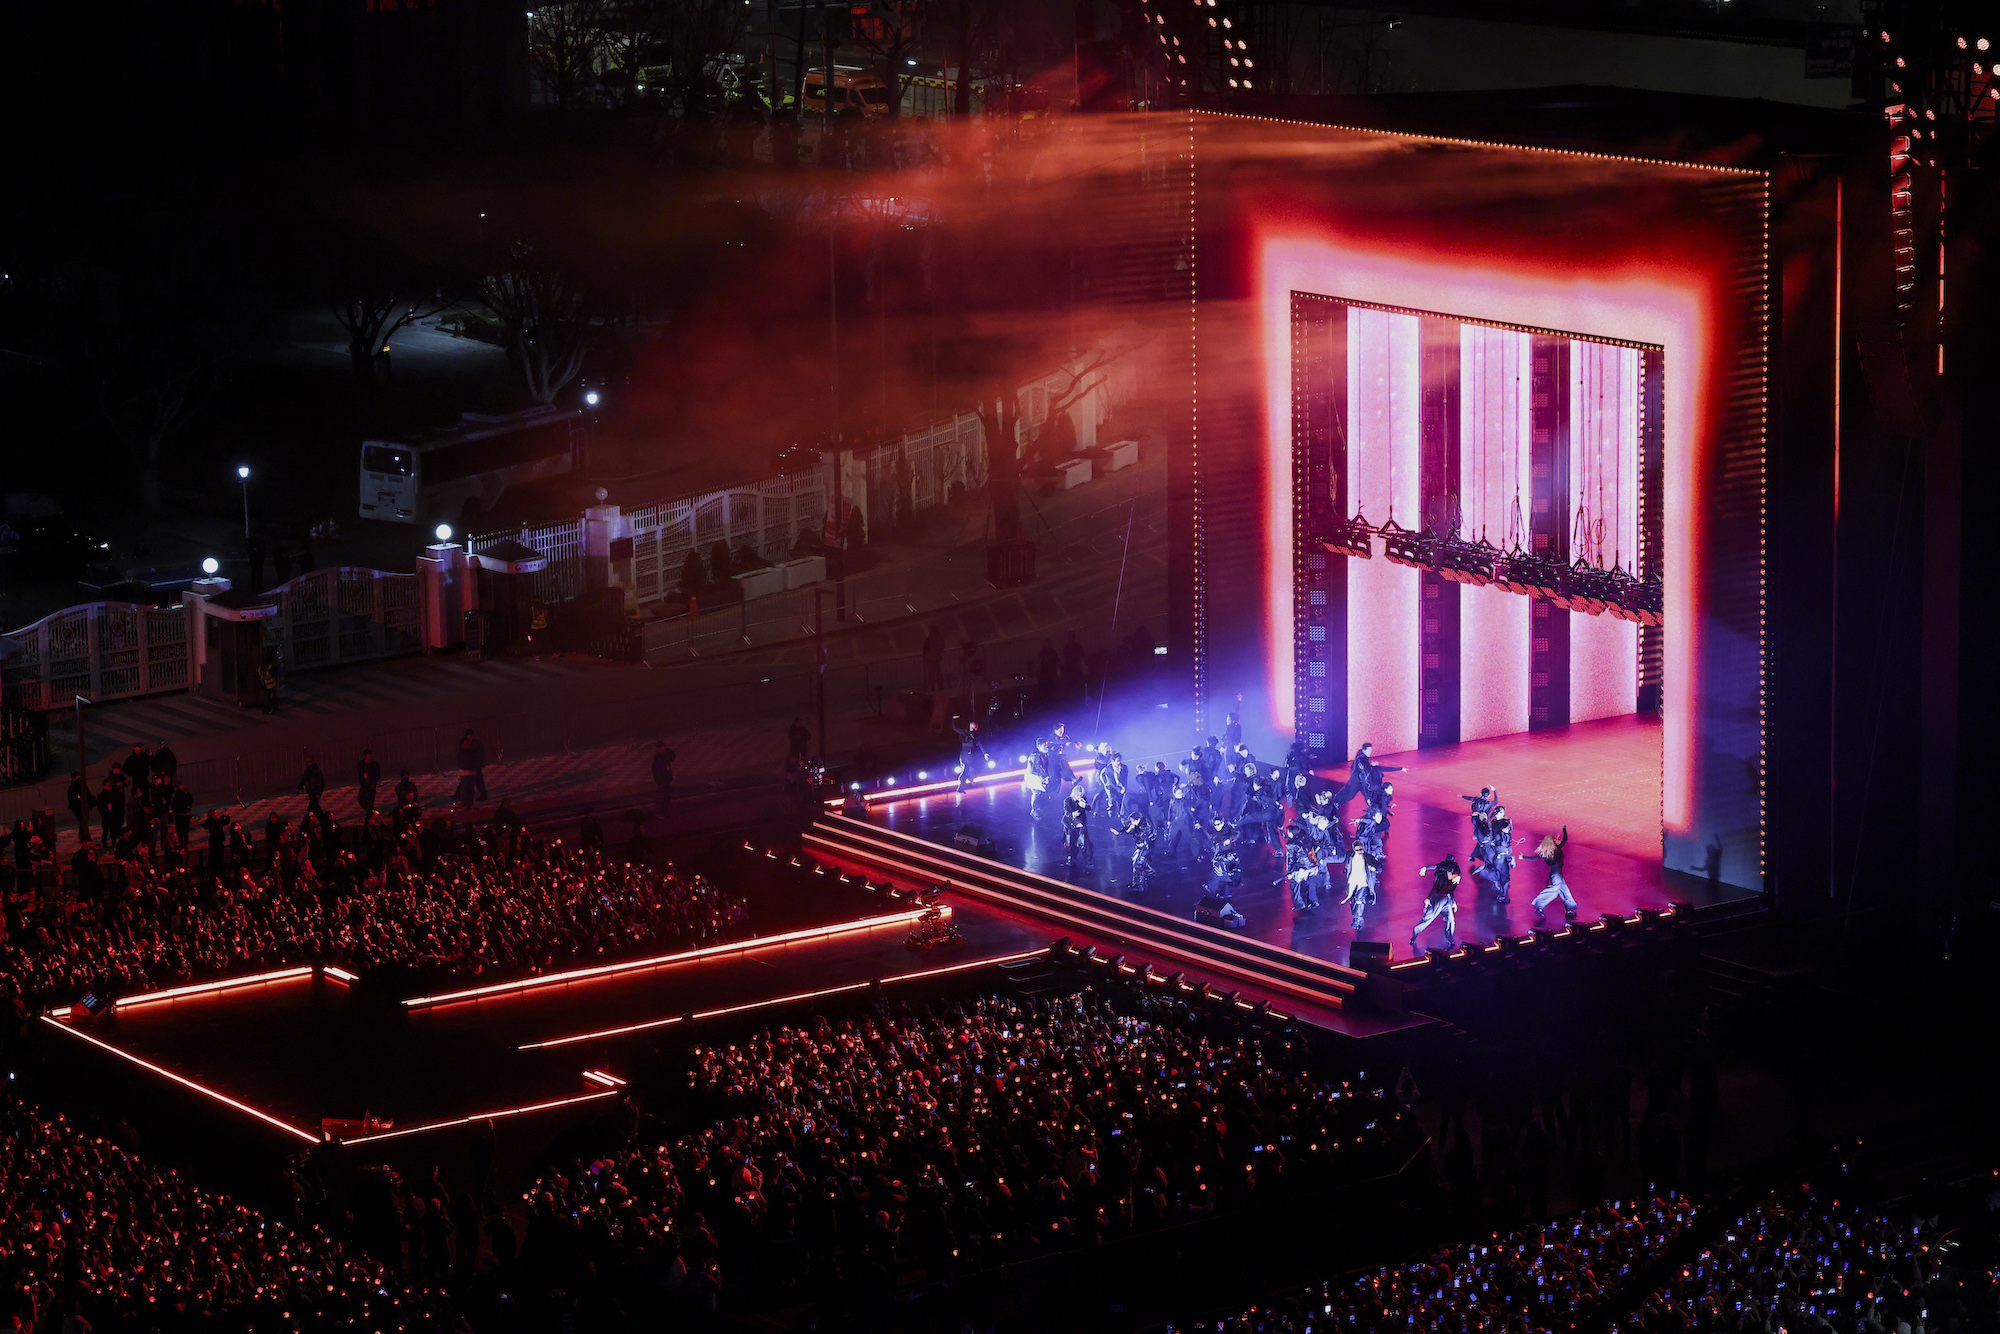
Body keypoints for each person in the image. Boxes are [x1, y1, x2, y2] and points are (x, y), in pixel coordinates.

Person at [1411, 853, 1463, 952]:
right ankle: (1415, 934)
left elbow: (1451, 890)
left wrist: (1453, 902)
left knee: (1451, 920)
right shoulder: (1441, 877)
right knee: (1428, 919)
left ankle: (1450, 939)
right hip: (1438, 899)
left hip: (1446, 900)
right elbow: (1435, 887)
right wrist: (1428, 898)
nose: (1457, 879)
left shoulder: (1455, 872)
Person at [1524, 827, 1577, 922]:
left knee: (1565, 890)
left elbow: (1534, 858)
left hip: (1556, 873)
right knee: (1553, 892)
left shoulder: (1546, 852)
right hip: (1557, 874)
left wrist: (1523, 857)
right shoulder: (1557, 849)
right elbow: (1565, 839)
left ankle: (1569, 909)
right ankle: (1539, 906)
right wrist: (1564, 829)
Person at [1282, 822, 1322, 911]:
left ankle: (1299, 904)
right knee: (1310, 883)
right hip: (1312, 864)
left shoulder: (1291, 844)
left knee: (1294, 884)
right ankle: (1314, 901)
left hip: (1301, 867)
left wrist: (1289, 872)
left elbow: (1291, 859)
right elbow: (1316, 844)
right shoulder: (1306, 837)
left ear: (1291, 833)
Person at [1118, 809, 1157, 891]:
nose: (1132, 823)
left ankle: (1138, 885)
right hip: (1140, 846)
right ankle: (1150, 873)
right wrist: (1121, 832)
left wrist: (1132, 829)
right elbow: (1128, 828)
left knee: (1138, 864)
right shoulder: (1137, 824)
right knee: (1138, 861)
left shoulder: (1146, 826)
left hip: (1146, 847)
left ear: (1138, 819)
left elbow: (1140, 836)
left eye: (1133, 821)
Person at [1061, 787, 1093, 873]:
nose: (1079, 796)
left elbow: (1089, 808)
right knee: (1071, 842)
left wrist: (1084, 805)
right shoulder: (1068, 800)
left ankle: (1087, 861)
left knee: (1084, 843)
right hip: (1070, 824)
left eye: (1081, 795)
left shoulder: (1083, 800)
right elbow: (1067, 812)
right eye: (1078, 795)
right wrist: (1072, 814)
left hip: (1081, 824)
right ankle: (1071, 857)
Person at [1026, 737, 1057, 822]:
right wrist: (1045, 777)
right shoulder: (1035, 755)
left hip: (1040, 777)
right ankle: (1035, 811)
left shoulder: (1044, 754)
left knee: (1042, 794)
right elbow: (1038, 768)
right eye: (1044, 745)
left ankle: (1040, 811)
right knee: (1037, 793)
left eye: (1047, 745)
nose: (1046, 747)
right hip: (1034, 777)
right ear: (1039, 746)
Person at [952, 718, 986, 793]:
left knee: (967, 769)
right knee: (972, 767)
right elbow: (980, 743)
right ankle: (969, 779)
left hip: (965, 753)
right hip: (967, 753)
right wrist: (985, 753)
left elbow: (955, 728)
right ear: (975, 727)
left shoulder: (969, 733)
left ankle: (962, 786)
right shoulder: (970, 733)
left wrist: (954, 720)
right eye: (977, 726)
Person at [456, 729, 488, 803]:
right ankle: (458, 794)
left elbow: (479, 754)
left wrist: (479, 763)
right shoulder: (468, 743)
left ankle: (483, 795)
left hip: (475, 766)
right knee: (466, 782)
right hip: (470, 767)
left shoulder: (475, 744)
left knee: (477, 781)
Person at [356, 749, 382, 828]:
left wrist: (373, 782)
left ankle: (370, 816)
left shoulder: (374, 764)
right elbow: (360, 773)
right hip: (364, 785)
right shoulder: (361, 764)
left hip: (371, 785)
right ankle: (371, 811)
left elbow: (377, 774)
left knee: (370, 800)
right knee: (361, 798)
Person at [66, 771, 94, 840]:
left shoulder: (82, 784)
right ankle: (83, 836)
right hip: (77, 807)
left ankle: (82, 835)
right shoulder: (72, 787)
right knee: (82, 821)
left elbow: (87, 792)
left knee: (84, 821)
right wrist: (79, 797)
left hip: (83, 805)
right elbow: (72, 797)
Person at [651, 742, 676, 817]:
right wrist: (659, 780)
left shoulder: (664, 755)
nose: (664, 748)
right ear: (658, 748)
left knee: (666, 797)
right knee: (662, 797)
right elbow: (655, 770)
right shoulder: (658, 758)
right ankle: (661, 813)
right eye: (662, 747)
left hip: (666, 779)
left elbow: (673, 756)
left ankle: (665, 812)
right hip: (662, 780)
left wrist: (668, 750)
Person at [921, 625, 945, 690]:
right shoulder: (939, 638)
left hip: (930, 658)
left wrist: (925, 656)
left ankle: (933, 687)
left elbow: (925, 649)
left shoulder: (929, 638)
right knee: (938, 673)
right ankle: (940, 686)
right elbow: (942, 646)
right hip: (936, 658)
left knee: (931, 674)